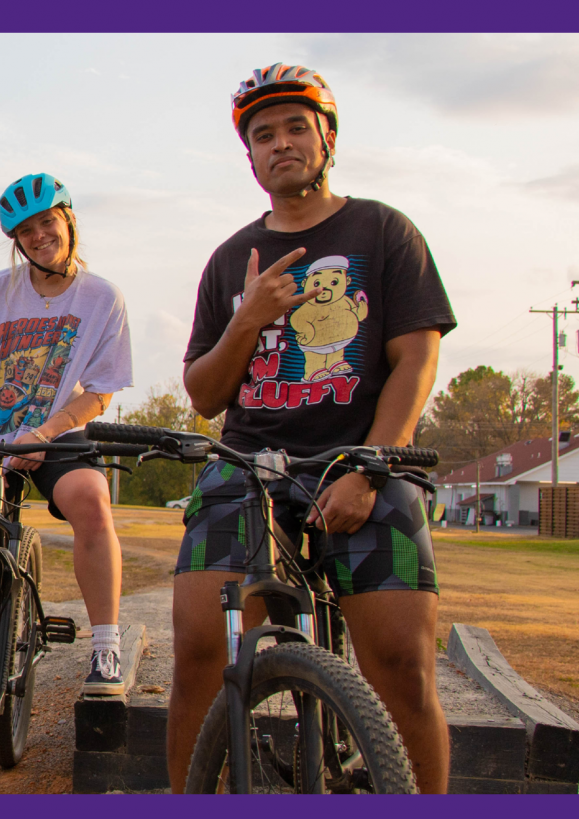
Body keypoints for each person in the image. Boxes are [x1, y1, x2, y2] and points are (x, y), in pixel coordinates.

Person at [171, 64, 457, 792]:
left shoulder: (384, 230)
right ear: (250, 158)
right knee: (201, 644)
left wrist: (372, 466)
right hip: (248, 463)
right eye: (263, 135)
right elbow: (205, 393)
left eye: (297, 126)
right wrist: (247, 318)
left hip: (361, 456)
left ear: (328, 137)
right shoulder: (232, 258)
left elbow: (417, 357)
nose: (281, 143)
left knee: (401, 661)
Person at [0, 173, 135, 742]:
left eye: (48, 221)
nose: (41, 235)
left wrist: (44, 431)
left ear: (68, 219)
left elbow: (98, 392)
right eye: (26, 231)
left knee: (91, 502)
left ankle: (105, 650)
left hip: (56, 428)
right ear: (16, 241)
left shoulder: (102, 298)